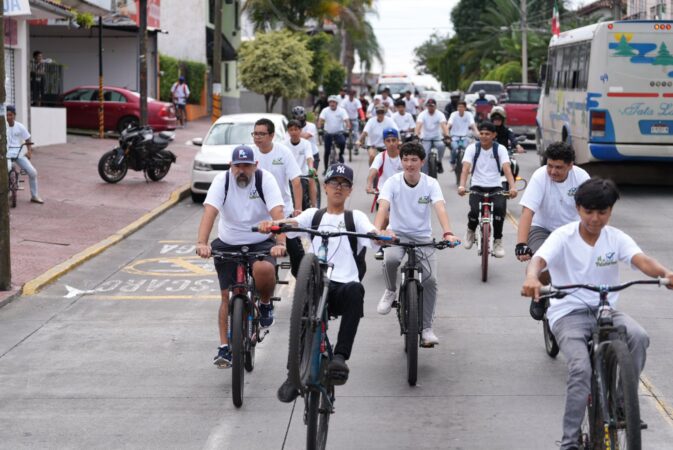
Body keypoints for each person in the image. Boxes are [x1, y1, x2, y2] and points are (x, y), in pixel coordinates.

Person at [521, 177, 673, 450]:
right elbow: (539, 260)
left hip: (605, 309)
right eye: (589, 211)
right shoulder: (562, 236)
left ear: (610, 211)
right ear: (578, 208)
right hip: (568, 312)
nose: (595, 218)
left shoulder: (616, 238)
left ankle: (622, 403)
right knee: (580, 368)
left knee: (639, 336)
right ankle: (569, 441)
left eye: (602, 212)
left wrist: (665, 274)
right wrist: (533, 278)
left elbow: (642, 261)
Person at [257, 163, 381, 403]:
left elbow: (372, 232)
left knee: (357, 290)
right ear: (325, 186)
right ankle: (293, 376)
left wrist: (383, 235)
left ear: (349, 191)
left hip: (342, 287)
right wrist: (271, 225)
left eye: (344, 184)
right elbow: (290, 224)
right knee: (301, 316)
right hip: (314, 283)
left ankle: (340, 359)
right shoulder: (313, 216)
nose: (338, 187)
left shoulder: (355, 218)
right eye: (334, 182)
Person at [195, 145, 287, 367]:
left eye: (247, 165)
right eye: (238, 166)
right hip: (228, 242)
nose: (242, 170)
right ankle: (225, 347)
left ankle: (265, 304)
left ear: (256, 165)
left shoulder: (266, 180)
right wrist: (202, 243)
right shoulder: (222, 181)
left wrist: (280, 243)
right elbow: (210, 212)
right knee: (226, 296)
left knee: (264, 270)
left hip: (261, 241)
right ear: (231, 166)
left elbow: (277, 213)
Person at [374, 141, 460, 346]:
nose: (409, 164)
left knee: (430, 280)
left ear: (422, 162)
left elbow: (440, 208)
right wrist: (378, 231)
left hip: (422, 238)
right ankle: (391, 290)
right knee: (391, 259)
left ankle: (427, 328)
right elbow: (383, 208)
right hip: (397, 235)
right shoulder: (392, 182)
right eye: (405, 159)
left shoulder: (430, 183)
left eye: (414, 160)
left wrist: (448, 233)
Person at [516, 142, 590, 320]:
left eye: (559, 167)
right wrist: (521, 244)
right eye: (550, 166)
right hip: (542, 228)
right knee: (541, 263)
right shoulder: (540, 176)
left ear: (570, 165)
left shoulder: (582, 178)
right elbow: (528, 212)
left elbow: (591, 210)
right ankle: (539, 295)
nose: (553, 171)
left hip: (573, 230)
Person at [252, 118, 305, 281]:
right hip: (259, 214)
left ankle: (305, 286)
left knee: (297, 255)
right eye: (255, 133)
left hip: (284, 212)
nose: (257, 137)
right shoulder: (250, 154)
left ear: (272, 135)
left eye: (262, 134)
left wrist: (298, 209)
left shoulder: (283, 152)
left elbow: (296, 181)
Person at [458, 121, 517, 258]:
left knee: (499, 210)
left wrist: (513, 187)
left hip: (496, 185)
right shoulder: (472, 148)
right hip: (477, 185)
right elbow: (466, 168)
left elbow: (507, 169)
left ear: (494, 135)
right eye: (482, 133)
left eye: (487, 134)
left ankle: (497, 240)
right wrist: (462, 186)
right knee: (473, 210)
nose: (484, 136)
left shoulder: (500, 149)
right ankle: (471, 230)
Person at [366, 128, 404, 259]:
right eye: (388, 141)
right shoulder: (380, 156)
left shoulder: (403, 157)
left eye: (394, 140)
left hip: (402, 194)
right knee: (385, 218)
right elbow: (373, 171)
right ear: (384, 142)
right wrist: (369, 185)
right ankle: (381, 246)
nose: (391, 143)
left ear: (398, 141)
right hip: (384, 194)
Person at [5, 105, 42, 204]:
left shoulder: (20, 126)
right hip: (6, 155)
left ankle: (34, 196)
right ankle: (7, 193)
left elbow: (27, 139)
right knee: (7, 169)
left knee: (33, 172)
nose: (9, 117)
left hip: (18, 154)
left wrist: (29, 151)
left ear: (15, 115)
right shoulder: (3, 126)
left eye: (11, 115)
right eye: (7, 115)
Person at [285, 119, 317, 208]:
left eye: (296, 129)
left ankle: (314, 206)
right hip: (289, 176)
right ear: (288, 131)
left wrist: (311, 168)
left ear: (300, 130)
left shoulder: (306, 144)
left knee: (312, 178)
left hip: (303, 174)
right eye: (291, 130)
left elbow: (309, 158)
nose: (293, 132)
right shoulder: (284, 145)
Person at [415, 98, 449, 174]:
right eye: (429, 106)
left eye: (432, 106)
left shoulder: (440, 114)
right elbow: (418, 125)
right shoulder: (422, 114)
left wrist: (447, 135)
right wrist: (416, 135)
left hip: (437, 137)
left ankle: (439, 161)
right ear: (427, 106)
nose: (430, 107)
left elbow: (443, 125)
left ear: (435, 106)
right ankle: (424, 175)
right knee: (425, 157)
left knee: (442, 146)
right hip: (425, 137)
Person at [318, 95, 351, 172]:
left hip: (338, 132)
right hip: (328, 133)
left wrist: (348, 128)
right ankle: (326, 169)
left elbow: (346, 120)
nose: (332, 104)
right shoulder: (325, 110)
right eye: (330, 102)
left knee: (342, 142)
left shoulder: (342, 111)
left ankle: (340, 154)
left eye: (334, 102)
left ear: (337, 103)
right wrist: (319, 128)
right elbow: (320, 120)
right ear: (328, 103)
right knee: (326, 151)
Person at [447, 100, 480, 170]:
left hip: (465, 137)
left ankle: (468, 165)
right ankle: (452, 162)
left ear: (465, 108)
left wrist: (477, 133)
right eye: (459, 107)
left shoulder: (469, 114)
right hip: (454, 137)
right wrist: (446, 132)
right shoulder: (453, 114)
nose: (460, 108)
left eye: (462, 107)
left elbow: (472, 125)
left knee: (467, 149)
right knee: (454, 148)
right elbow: (449, 124)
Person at [291, 106, 320, 170]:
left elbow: (305, 136)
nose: (299, 120)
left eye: (301, 118)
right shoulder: (291, 128)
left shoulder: (311, 126)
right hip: (299, 156)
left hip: (313, 154)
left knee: (312, 175)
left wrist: (294, 131)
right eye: (297, 119)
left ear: (305, 117)